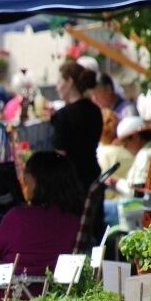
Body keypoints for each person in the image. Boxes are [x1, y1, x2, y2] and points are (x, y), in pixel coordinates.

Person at [0, 151, 83, 301]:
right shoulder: (75, 221)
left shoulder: (17, 216)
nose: (23, 179)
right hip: (53, 298)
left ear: (38, 180)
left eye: (27, 173)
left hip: (7, 298)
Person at [51, 60, 103, 239]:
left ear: (70, 82)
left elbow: (60, 156)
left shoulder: (63, 116)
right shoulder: (95, 111)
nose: (57, 87)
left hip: (71, 188)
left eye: (59, 82)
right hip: (93, 177)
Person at [108, 115, 151, 197]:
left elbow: (140, 192)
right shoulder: (149, 152)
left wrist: (116, 183)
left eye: (125, 142)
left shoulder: (147, 154)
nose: (124, 147)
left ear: (136, 137)